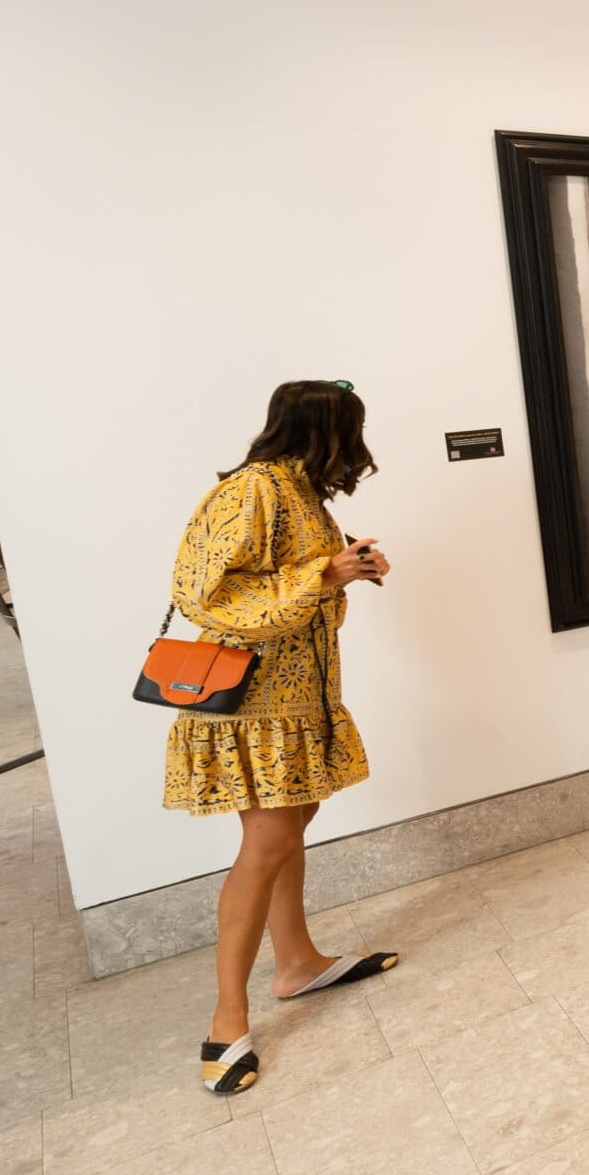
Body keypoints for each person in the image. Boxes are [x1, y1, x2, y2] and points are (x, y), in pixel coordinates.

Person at [167, 381, 398, 1095]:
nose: (357, 448)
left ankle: (296, 962)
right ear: (325, 429)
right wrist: (321, 573)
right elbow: (200, 592)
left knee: (293, 823)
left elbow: (298, 587)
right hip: (254, 701)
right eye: (350, 431)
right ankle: (225, 1017)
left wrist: (346, 571)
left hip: (300, 695)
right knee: (267, 841)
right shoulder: (251, 490)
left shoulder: (302, 493)